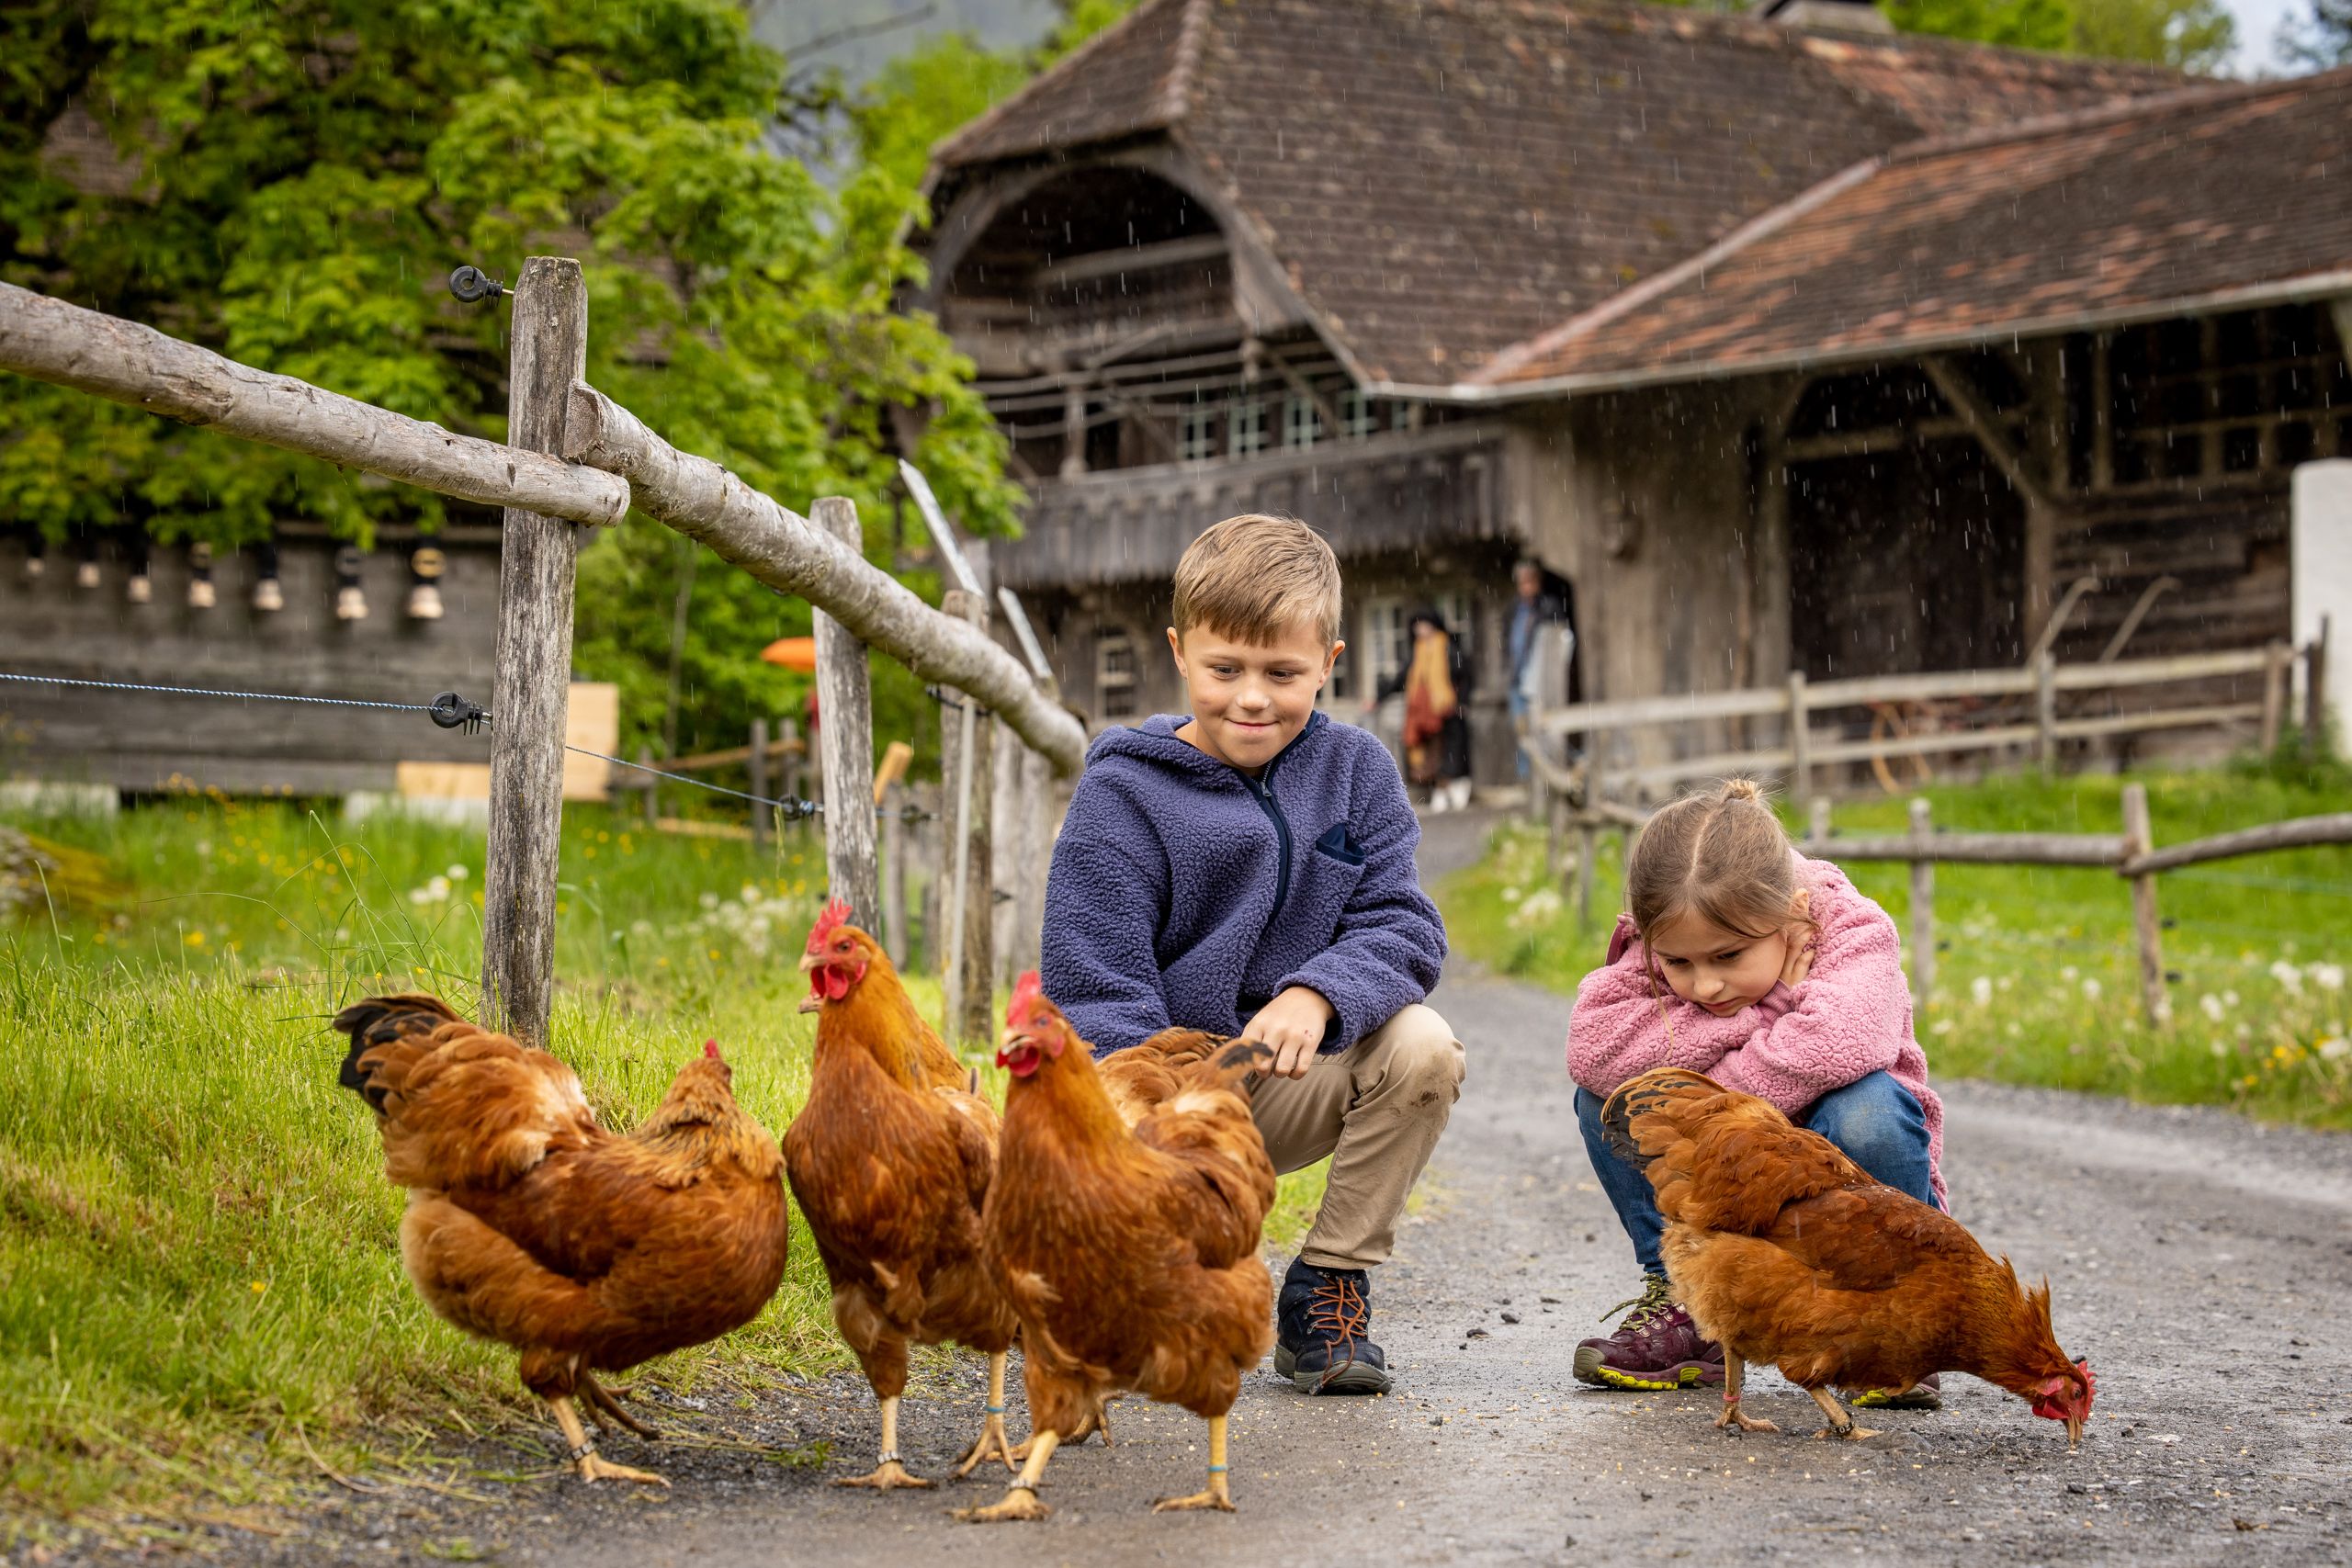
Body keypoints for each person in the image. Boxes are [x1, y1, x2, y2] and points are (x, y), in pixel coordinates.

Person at [1041, 513, 1464, 1397]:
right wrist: (1167, 1111)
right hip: (1155, 1099)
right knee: (1127, 1325)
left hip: (1281, 1078)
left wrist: (1319, 992)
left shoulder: (1356, 771)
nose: (1252, 698)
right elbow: (1093, 983)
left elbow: (1404, 923)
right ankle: (1142, 1272)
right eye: (1225, 669)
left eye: (1283, 673)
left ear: (1329, 663)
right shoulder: (1122, 794)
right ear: (1180, 653)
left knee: (1424, 1046)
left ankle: (1328, 1287)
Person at [1564, 777, 1948, 1408]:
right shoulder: (1662, 939)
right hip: (1733, 1179)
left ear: (1791, 915)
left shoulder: (1852, 929)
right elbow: (1596, 1049)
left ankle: (1896, 1315)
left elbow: (1834, 1045)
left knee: (1869, 1110)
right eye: (1678, 965)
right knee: (1614, 1100)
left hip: (1838, 1179)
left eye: (1728, 956)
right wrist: (1770, 1008)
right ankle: (1694, 1302)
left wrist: (1711, 1084)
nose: (1705, 986)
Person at [1370, 607, 1474, 812]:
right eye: (1417, 626)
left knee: (1453, 750)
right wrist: (1378, 699)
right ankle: (1440, 790)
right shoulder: (1417, 652)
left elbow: (1464, 677)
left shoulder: (1448, 648)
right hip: (1425, 715)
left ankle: (1455, 788)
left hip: (1448, 710)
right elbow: (1401, 678)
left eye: (1424, 625)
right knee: (1432, 754)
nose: (1421, 630)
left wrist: (1461, 702)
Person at [1506, 559, 1576, 777]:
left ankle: (1546, 777)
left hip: (1540, 679)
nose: (1525, 586)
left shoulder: (1548, 606)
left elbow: (1560, 640)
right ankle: (1527, 777)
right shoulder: (1515, 608)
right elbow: (1509, 641)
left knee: (1543, 731)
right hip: (1518, 677)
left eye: (1529, 581)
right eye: (1522, 582)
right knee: (1522, 731)